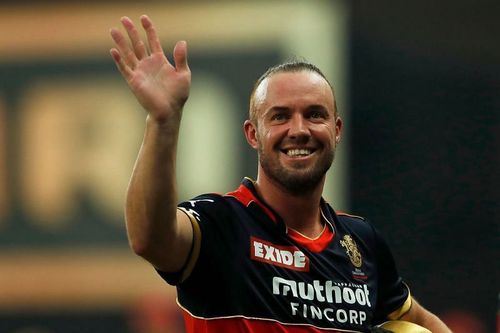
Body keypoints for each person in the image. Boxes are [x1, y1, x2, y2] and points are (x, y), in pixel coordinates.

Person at [110, 15, 452, 333]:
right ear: (252, 134)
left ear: (336, 131)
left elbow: (416, 320)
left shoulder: (361, 242)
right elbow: (149, 238)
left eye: (314, 114)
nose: (298, 129)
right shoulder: (222, 224)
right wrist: (163, 120)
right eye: (279, 116)